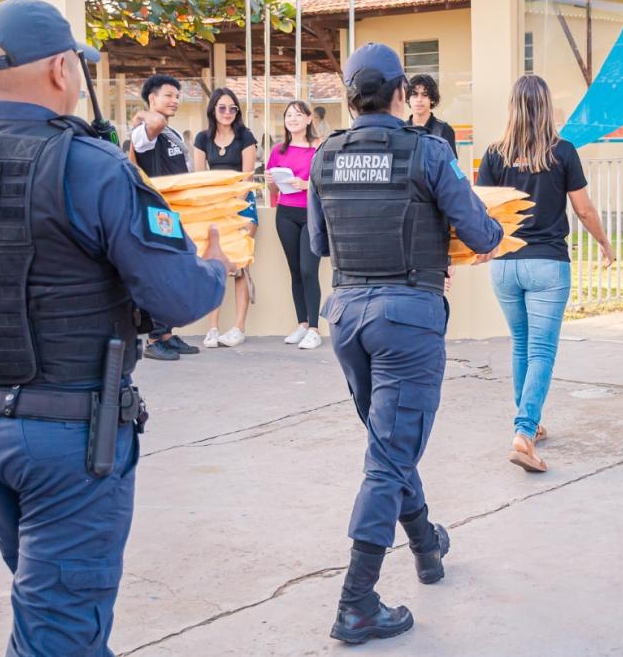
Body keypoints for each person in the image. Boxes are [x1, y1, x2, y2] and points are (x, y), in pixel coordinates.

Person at [0, 0, 232, 656]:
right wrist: (215, 268)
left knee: (50, 611)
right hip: (68, 439)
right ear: (59, 69)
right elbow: (177, 297)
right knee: (58, 632)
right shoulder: (90, 166)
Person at [309, 43, 503, 644]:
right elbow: (482, 232)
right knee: (389, 456)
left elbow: (319, 243)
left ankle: (426, 544)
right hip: (407, 317)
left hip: (346, 316)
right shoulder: (428, 151)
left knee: (388, 443)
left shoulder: (324, 155)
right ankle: (356, 602)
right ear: (400, 92)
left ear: (350, 98)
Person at [478, 73, 615, 473]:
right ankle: (523, 432)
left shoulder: (494, 154)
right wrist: (605, 244)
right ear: (546, 108)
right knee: (540, 350)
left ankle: (530, 424)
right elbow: (583, 209)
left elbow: (480, 208)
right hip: (548, 265)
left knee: (521, 346)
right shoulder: (563, 153)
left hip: (505, 266)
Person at [129, 73, 200, 361]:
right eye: (168, 95)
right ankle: (154, 339)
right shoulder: (144, 131)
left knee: (173, 275)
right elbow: (154, 125)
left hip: (175, 213)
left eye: (177, 96)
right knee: (159, 276)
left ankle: (166, 334)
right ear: (152, 98)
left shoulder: (171, 132)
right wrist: (143, 115)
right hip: (156, 215)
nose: (175, 101)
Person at [192, 87, 257, 348]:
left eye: (233, 108)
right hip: (214, 206)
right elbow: (199, 178)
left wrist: (232, 209)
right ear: (213, 110)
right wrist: (215, 208)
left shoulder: (246, 136)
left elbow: (247, 177)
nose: (228, 112)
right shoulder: (202, 138)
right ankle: (213, 328)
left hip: (241, 206)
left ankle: (239, 328)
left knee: (240, 266)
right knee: (214, 267)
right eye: (222, 108)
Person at [264, 100, 323, 350]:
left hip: (311, 214)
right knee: (296, 270)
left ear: (309, 119)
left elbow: (327, 182)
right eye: (289, 115)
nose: (293, 119)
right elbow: (272, 190)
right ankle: (302, 324)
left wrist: (306, 184)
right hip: (285, 213)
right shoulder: (278, 150)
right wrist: (271, 180)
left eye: (298, 115)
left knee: (309, 270)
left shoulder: (319, 147)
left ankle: (314, 329)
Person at [406, 73, 457, 155]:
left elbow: (451, 162)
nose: (419, 99)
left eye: (424, 95)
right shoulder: (400, 129)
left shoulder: (444, 130)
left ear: (432, 99)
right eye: (414, 95)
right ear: (408, 99)